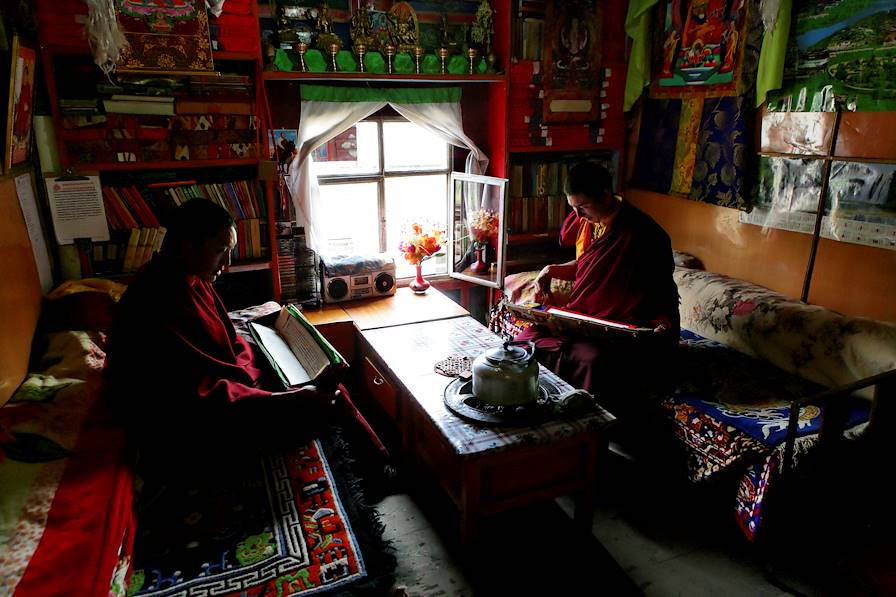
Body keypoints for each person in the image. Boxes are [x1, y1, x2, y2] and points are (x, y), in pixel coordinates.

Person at [104, 199, 389, 486]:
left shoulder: (188, 275)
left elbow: (228, 343)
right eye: (220, 253)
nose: (226, 265)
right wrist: (282, 399)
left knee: (319, 383)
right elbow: (191, 396)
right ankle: (378, 473)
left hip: (219, 392)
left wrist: (275, 363)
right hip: (182, 425)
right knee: (328, 400)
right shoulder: (159, 300)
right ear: (187, 246)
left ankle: (376, 463)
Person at [516, 162, 679, 403]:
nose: (578, 216)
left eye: (582, 207)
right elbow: (587, 266)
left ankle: (586, 424)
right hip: (586, 318)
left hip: (622, 324)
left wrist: (655, 326)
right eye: (573, 208)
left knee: (592, 361)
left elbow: (657, 290)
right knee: (525, 341)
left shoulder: (644, 234)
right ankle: (534, 406)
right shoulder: (591, 221)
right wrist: (550, 270)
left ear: (605, 194)